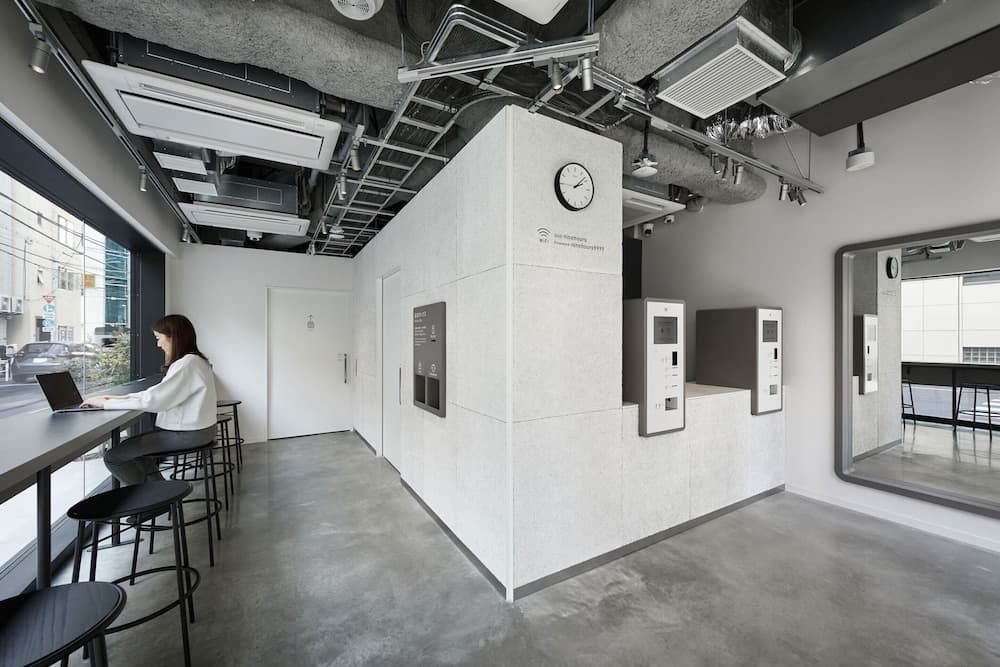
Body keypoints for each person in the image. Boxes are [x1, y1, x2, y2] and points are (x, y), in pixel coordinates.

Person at [83, 314, 218, 485]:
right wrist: (118, 398)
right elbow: (157, 394)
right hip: (202, 430)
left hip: (189, 434)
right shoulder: (196, 361)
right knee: (138, 452)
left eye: (159, 338)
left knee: (114, 457)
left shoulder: (186, 364)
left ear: (173, 337)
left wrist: (106, 404)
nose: (158, 344)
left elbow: (154, 401)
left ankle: (151, 497)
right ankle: (160, 493)